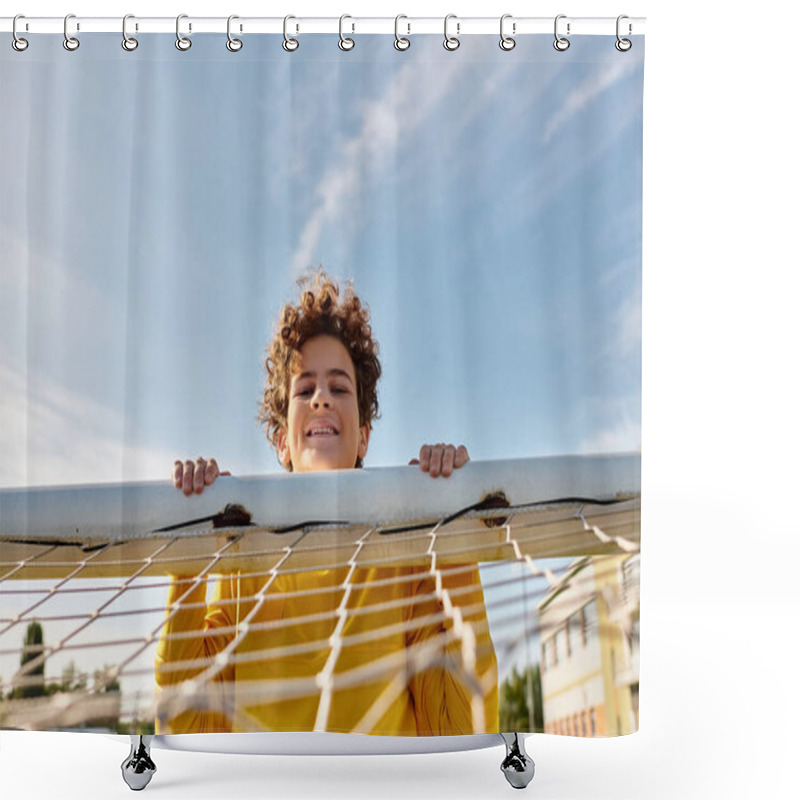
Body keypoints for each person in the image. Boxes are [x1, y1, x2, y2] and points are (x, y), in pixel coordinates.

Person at [155, 271, 498, 736]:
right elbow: (184, 725)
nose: (321, 399)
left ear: (364, 436)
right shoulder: (242, 558)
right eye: (304, 389)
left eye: (339, 388)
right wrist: (192, 542)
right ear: (281, 442)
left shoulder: (405, 556)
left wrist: (452, 515)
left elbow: (465, 727)